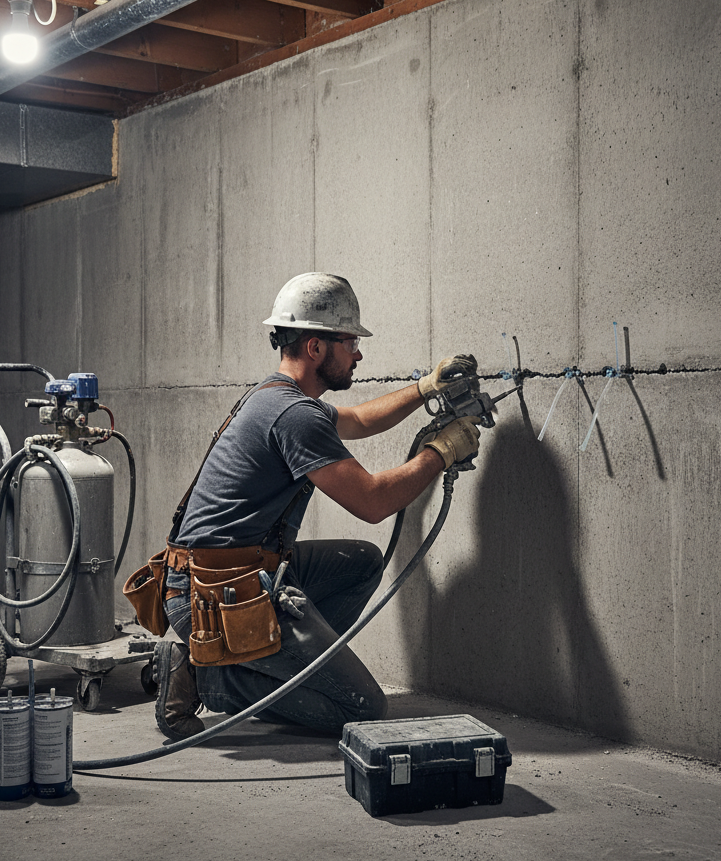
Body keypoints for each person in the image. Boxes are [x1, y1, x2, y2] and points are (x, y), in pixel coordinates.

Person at [153, 272, 482, 739]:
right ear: (316, 348)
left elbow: (360, 419)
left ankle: (269, 661)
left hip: (222, 576)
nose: (358, 353)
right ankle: (219, 677)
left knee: (360, 562)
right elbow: (372, 502)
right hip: (214, 597)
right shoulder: (294, 415)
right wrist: (441, 452)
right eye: (350, 342)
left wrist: (427, 387)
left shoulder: (279, 396)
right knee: (361, 708)